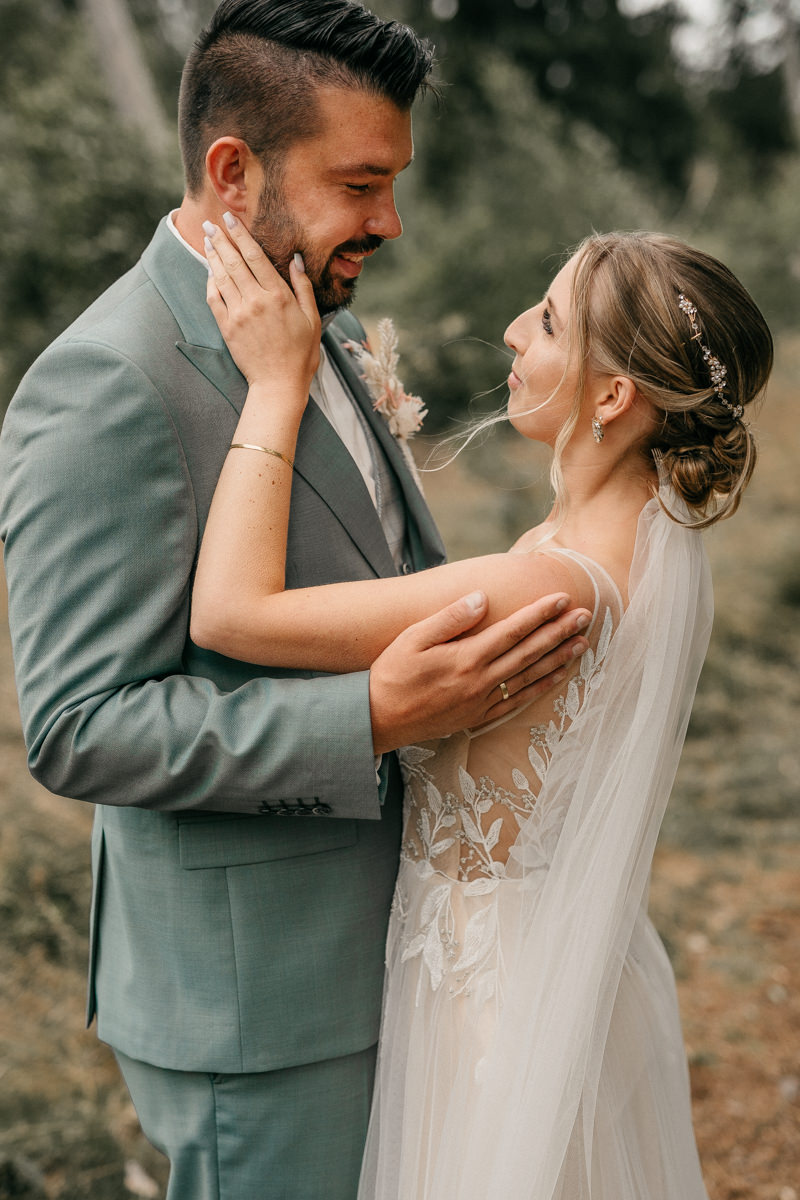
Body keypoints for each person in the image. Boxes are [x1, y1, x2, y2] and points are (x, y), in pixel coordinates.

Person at [0, 2, 590, 1197]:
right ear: (233, 171)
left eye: (393, 182)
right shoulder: (107, 382)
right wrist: (369, 714)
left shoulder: (307, 312)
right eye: (360, 182)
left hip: (401, 942)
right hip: (258, 1006)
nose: (389, 220)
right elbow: (76, 728)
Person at [189, 220, 773, 1199]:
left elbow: (229, 614)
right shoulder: (634, 538)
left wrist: (276, 386)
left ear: (613, 395)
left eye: (545, 321)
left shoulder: (546, 582)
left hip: (487, 1002)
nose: (510, 331)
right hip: (556, 970)